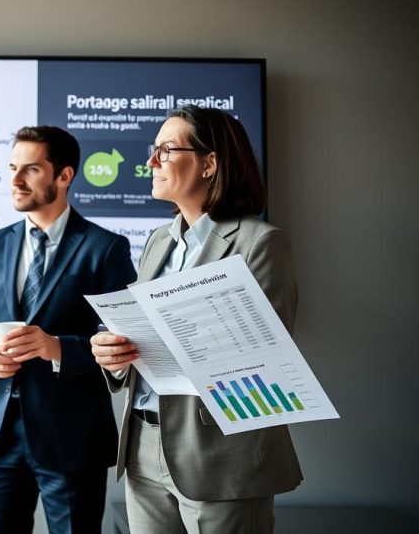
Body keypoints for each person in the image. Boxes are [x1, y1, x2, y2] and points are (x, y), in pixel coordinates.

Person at [90, 106, 302, 534]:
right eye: (154, 150)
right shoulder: (157, 242)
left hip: (219, 451)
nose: (151, 162)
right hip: (142, 444)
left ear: (209, 163)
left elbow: (262, 353)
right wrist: (114, 355)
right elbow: (142, 337)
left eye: (166, 150)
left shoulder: (260, 242)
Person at [0, 126, 137, 534]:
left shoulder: (106, 248)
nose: (15, 181)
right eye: (13, 168)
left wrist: (58, 348)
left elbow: (124, 344)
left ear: (64, 176)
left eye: (30, 169)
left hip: (71, 438)